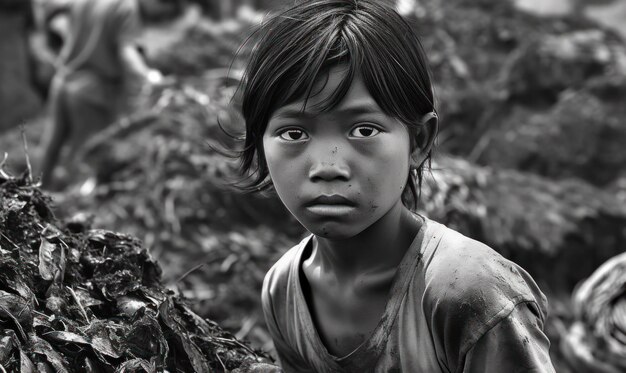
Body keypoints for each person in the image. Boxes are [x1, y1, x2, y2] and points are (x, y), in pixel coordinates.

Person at [232, 0, 556, 372]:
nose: (328, 167)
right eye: (293, 133)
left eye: (364, 130)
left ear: (418, 141)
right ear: (260, 144)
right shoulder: (284, 290)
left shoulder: (470, 292)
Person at [38, 0, 180, 188]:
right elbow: (127, 52)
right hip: (91, 93)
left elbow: (53, 11)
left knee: (51, 148)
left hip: (63, 80)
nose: (158, 16)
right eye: (163, 9)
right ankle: (72, 209)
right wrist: (149, 76)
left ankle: (33, 197)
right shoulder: (127, 7)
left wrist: (57, 45)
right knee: (85, 157)